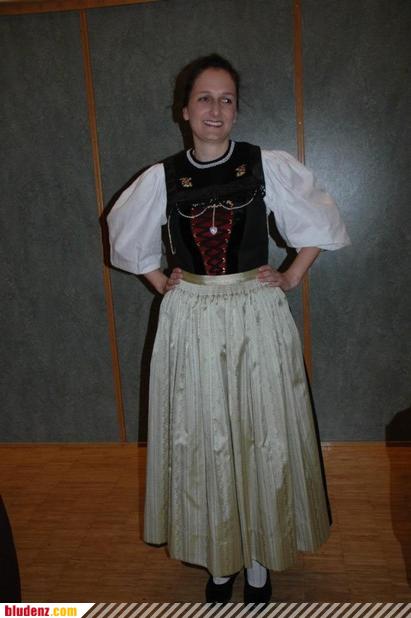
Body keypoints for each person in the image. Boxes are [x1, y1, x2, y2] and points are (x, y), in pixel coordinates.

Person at [107, 54, 350, 604]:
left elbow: (319, 223)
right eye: (204, 98)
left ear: (236, 110)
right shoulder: (162, 177)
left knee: (262, 431)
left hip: (255, 314)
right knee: (204, 436)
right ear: (184, 110)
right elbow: (126, 241)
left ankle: (260, 559)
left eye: (226, 99)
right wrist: (161, 281)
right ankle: (221, 558)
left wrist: (290, 275)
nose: (215, 109)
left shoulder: (265, 165)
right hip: (191, 316)